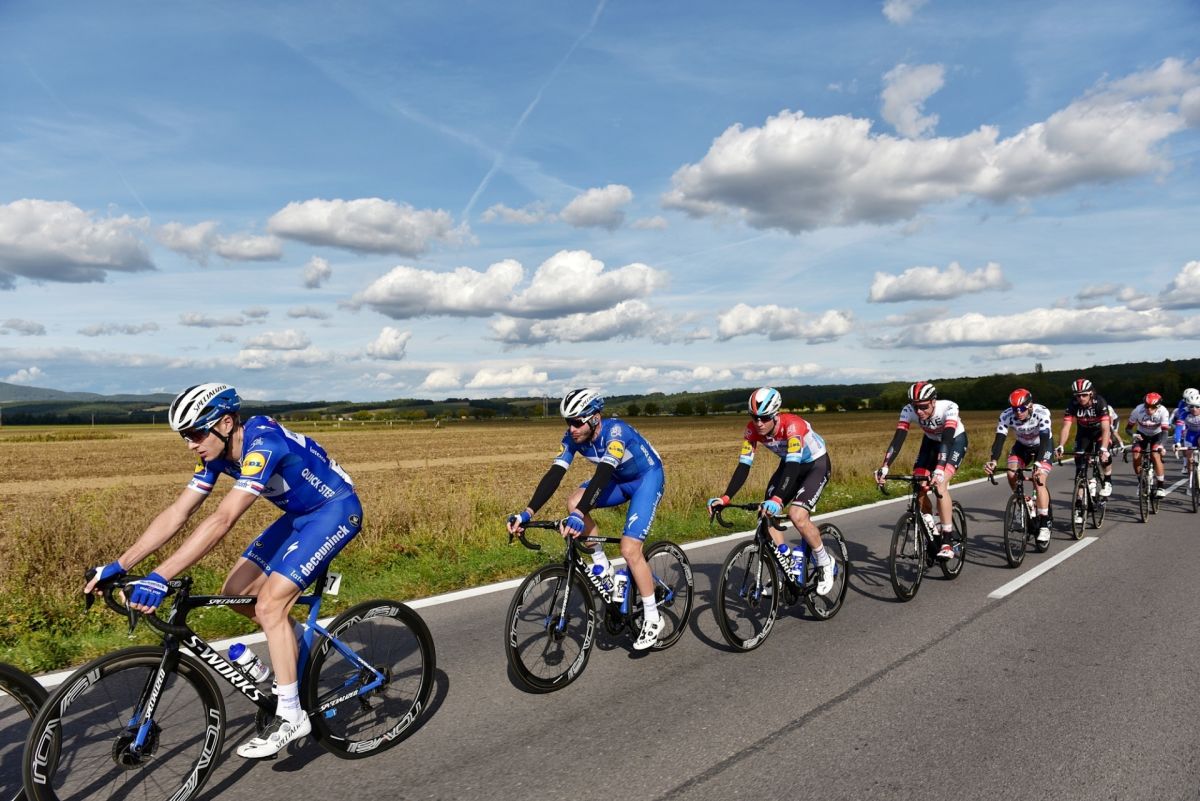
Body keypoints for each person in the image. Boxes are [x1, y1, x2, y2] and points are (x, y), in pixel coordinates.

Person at [85, 383, 362, 758]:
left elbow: (223, 519)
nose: (191, 445)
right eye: (185, 437)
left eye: (196, 433)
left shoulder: (263, 444)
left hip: (334, 511)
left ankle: (291, 715)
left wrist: (160, 576)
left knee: (270, 606)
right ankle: (294, 647)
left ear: (226, 423)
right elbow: (178, 513)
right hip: (298, 516)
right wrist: (120, 565)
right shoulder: (214, 454)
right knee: (236, 593)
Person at [506, 388, 666, 650]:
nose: (572, 429)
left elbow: (602, 474)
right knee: (573, 501)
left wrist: (580, 515)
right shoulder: (573, 438)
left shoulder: (616, 433)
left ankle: (652, 617)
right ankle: (603, 567)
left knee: (629, 549)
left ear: (595, 418)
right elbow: (554, 475)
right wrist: (527, 513)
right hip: (618, 479)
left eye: (577, 422)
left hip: (646, 479)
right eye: (568, 422)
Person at [707, 387, 835, 595]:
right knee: (766, 514)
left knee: (797, 515)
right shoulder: (752, 430)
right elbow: (744, 466)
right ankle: (784, 567)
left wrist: (777, 499)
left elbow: (793, 467)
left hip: (815, 465)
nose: (759, 423)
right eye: (754, 417)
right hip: (790, 464)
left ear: (776, 415)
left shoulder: (793, 426)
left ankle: (824, 562)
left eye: (764, 418)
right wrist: (725, 497)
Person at [874, 381, 968, 560]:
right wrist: (885, 466)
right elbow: (898, 440)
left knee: (940, 485)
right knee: (919, 484)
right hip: (930, 442)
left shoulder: (949, 408)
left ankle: (947, 540)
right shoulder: (908, 410)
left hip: (954, 442)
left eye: (923, 407)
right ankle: (932, 525)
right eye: (915, 406)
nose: (919, 411)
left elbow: (947, 440)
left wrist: (939, 469)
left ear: (933, 401)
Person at [984, 388, 1055, 546]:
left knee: (1039, 479)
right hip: (1022, 446)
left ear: (1030, 405)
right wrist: (993, 461)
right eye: (1015, 409)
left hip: (1043, 446)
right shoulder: (1006, 415)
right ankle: (1023, 502)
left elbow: (1045, 439)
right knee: (1011, 473)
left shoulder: (1042, 413)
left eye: (1022, 408)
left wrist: (1039, 462)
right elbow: (999, 439)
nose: (1018, 412)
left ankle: (1044, 524)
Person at [1054, 378, 1113, 521]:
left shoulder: (1100, 402)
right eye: (1078, 395)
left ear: (1091, 393)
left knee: (1104, 456)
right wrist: (1061, 445)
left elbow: (1106, 428)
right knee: (1080, 470)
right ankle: (1079, 506)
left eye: (1084, 395)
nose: (1080, 398)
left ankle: (1107, 480)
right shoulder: (1073, 404)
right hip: (1084, 434)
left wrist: (1104, 448)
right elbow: (1066, 427)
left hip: (1100, 433)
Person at [1126, 392, 1172, 497]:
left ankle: (1160, 486)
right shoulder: (1138, 410)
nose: (1149, 409)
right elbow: (1128, 428)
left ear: (1158, 406)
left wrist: (1161, 445)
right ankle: (1141, 482)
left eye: (1153, 407)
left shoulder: (1163, 411)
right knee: (1136, 454)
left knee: (1155, 455)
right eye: (1147, 406)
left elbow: (1165, 432)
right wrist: (1133, 435)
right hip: (1141, 435)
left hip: (1157, 435)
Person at [1171, 388, 1200, 471]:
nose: (1194, 409)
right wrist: (1177, 442)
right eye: (1191, 406)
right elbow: (1179, 427)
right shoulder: (1184, 412)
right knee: (1189, 457)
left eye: (1197, 406)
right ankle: (1190, 476)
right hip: (1190, 434)